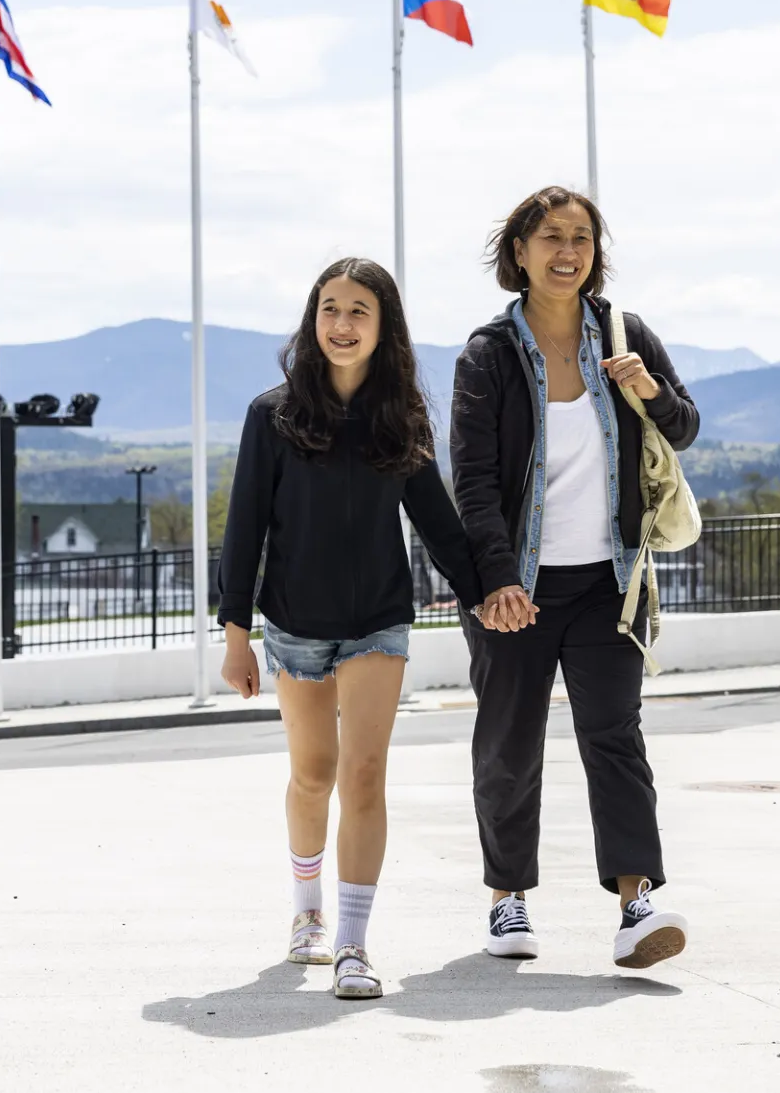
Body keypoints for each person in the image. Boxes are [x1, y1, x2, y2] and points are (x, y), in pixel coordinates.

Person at [219, 257, 485, 1001]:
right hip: (295, 626)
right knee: (314, 774)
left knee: (365, 774)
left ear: (383, 326)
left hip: (378, 620)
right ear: (313, 320)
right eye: (329, 308)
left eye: (358, 310)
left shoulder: (400, 419)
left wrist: (484, 596)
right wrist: (235, 631)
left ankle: (353, 943)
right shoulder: (271, 416)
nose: (341, 323)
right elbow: (244, 529)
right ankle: (307, 910)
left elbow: (437, 521)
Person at [450, 185, 700, 970]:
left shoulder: (625, 336)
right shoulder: (488, 354)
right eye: (551, 236)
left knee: (614, 737)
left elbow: (686, 425)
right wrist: (497, 580)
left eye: (581, 238)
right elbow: (475, 481)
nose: (567, 252)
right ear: (518, 252)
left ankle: (636, 906)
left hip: (608, 580)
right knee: (510, 743)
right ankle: (507, 900)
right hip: (514, 587)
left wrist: (647, 390)